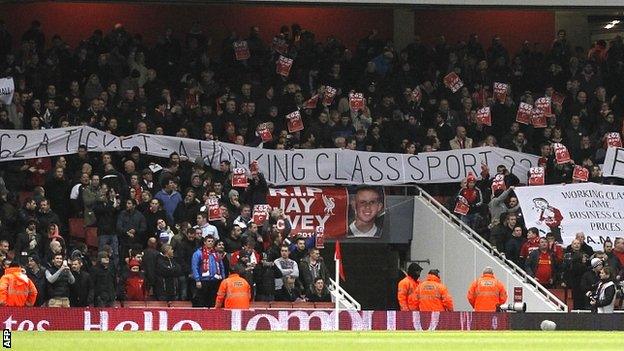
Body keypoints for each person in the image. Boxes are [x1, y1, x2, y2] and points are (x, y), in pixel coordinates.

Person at [191, 235, 225, 307]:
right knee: (202, 301)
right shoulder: (198, 253)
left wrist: (223, 278)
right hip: (203, 280)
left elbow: (221, 266)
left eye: (212, 241)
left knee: (212, 301)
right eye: (209, 241)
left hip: (215, 280)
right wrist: (197, 280)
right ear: (204, 242)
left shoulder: (216, 254)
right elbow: (195, 267)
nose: (211, 243)